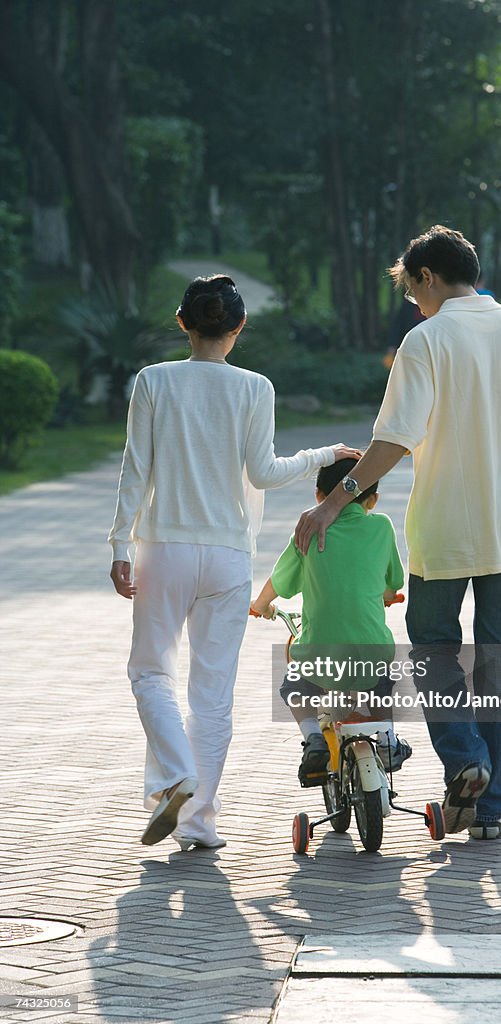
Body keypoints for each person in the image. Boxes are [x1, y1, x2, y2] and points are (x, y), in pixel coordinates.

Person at [293, 225, 501, 840]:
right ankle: (492, 807)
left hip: (446, 528)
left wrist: (334, 501)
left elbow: (393, 439)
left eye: (411, 290)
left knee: (431, 647)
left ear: (427, 277)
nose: (412, 303)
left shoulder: (426, 340)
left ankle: (465, 758)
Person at [108, 274, 361, 850]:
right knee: (212, 695)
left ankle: (175, 776)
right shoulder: (255, 387)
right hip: (228, 557)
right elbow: (265, 472)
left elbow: (135, 471)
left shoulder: (153, 380)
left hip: (164, 550)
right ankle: (198, 824)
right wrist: (326, 454)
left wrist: (119, 545)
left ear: (182, 323)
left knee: (150, 673)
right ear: (238, 328)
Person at [250, 458, 411, 785]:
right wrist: (386, 594)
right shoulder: (381, 527)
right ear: (373, 500)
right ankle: (389, 741)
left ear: (318, 496)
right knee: (383, 680)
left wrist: (260, 605)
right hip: (370, 654)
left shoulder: (308, 531)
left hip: (320, 656)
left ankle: (313, 738)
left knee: (294, 685)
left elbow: (278, 583)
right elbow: (393, 581)